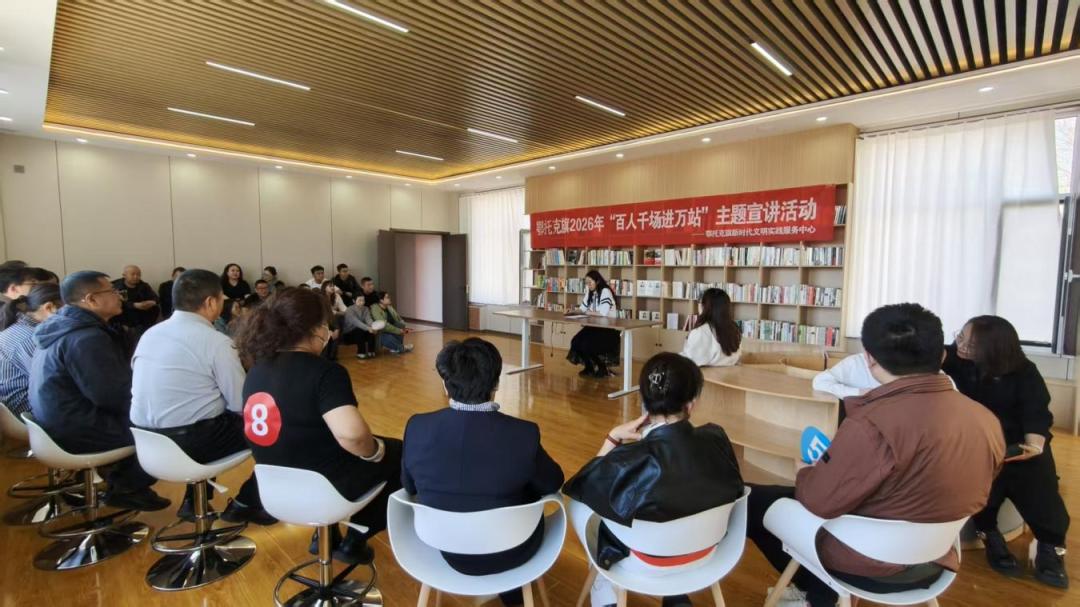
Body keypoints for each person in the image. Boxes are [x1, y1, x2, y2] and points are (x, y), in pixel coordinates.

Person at [747, 303, 1005, 607]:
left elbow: (817, 500)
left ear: (869, 359)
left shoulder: (871, 425)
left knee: (752, 500)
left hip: (868, 563)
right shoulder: (986, 420)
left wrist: (805, 470)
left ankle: (820, 593)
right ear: (942, 356)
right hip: (938, 556)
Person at [236, 287, 402, 564]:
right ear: (314, 328)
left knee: (315, 444)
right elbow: (352, 436)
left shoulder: (257, 369)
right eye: (326, 324)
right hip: (323, 487)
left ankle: (326, 534)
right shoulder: (325, 372)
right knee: (401, 454)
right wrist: (376, 452)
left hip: (272, 485)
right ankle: (355, 539)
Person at [564, 352, 744, 607]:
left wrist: (613, 438)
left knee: (580, 507)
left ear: (644, 402)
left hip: (643, 563)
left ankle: (604, 588)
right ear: (691, 404)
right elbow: (735, 489)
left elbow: (581, 486)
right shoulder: (717, 438)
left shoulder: (626, 460)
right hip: (707, 554)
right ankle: (676, 595)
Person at [402, 338, 564, 607]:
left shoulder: (418, 427)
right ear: (496, 383)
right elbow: (553, 482)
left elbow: (408, 486)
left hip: (445, 545)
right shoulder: (524, 434)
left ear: (445, 384)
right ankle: (512, 591)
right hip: (512, 548)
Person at [130, 269, 275, 524]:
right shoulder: (216, 342)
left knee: (208, 415)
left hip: (146, 441)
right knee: (273, 426)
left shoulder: (150, 335)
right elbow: (241, 403)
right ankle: (247, 502)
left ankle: (193, 500)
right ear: (210, 302)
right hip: (189, 443)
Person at [943, 316, 1070, 588]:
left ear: (994, 348)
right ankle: (990, 535)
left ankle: (1050, 547)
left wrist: (1034, 445)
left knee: (1041, 491)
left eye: (971, 344)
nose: (960, 345)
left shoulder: (1024, 372)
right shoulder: (955, 358)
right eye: (960, 336)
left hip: (1018, 444)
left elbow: (1037, 414)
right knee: (983, 492)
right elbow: (929, 353)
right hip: (980, 446)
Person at [29, 271, 170, 511]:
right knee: (166, 425)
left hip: (57, 423)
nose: (119, 296)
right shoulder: (86, 338)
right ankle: (128, 488)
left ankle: (120, 481)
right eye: (113, 291)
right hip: (76, 428)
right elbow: (113, 395)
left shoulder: (63, 327)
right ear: (91, 300)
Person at [0, 284, 63, 416]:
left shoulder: (19, 327)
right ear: (49, 308)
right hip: (30, 412)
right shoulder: (31, 338)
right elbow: (54, 383)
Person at [566, 270, 619, 378]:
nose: (588, 285)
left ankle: (602, 368)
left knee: (587, 345)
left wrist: (586, 312)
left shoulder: (605, 291)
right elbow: (582, 309)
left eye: (590, 282)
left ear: (597, 281)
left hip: (607, 328)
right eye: (586, 283)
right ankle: (589, 368)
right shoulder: (590, 292)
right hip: (594, 327)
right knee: (576, 342)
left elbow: (602, 313)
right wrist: (573, 311)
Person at [680, 287, 741, 367]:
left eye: (700, 303)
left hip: (702, 374)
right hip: (729, 374)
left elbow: (688, 362)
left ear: (704, 307)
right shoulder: (734, 330)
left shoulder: (700, 332)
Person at [112, 264, 159, 337]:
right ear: (124, 275)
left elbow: (156, 298)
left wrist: (152, 302)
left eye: (138, 274)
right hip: (124, 318)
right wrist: (134, 305)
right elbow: (115, 303)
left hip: (143, 317)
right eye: (133, 274)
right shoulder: (115, 286)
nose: (136, 277)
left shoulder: (144, 285)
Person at [319, 281, 346, 360]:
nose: (333, 287)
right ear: (324, 288)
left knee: (339, 319)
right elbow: (322, 317)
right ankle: (328, 357)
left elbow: (345, 311)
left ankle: (332, 356)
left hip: (332, 321)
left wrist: (336, 329)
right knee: (334, 327)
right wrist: (328, 330)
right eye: (330, 286)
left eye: (333, 286)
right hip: (322, 322)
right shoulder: (321, 298)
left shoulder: (336, 296)